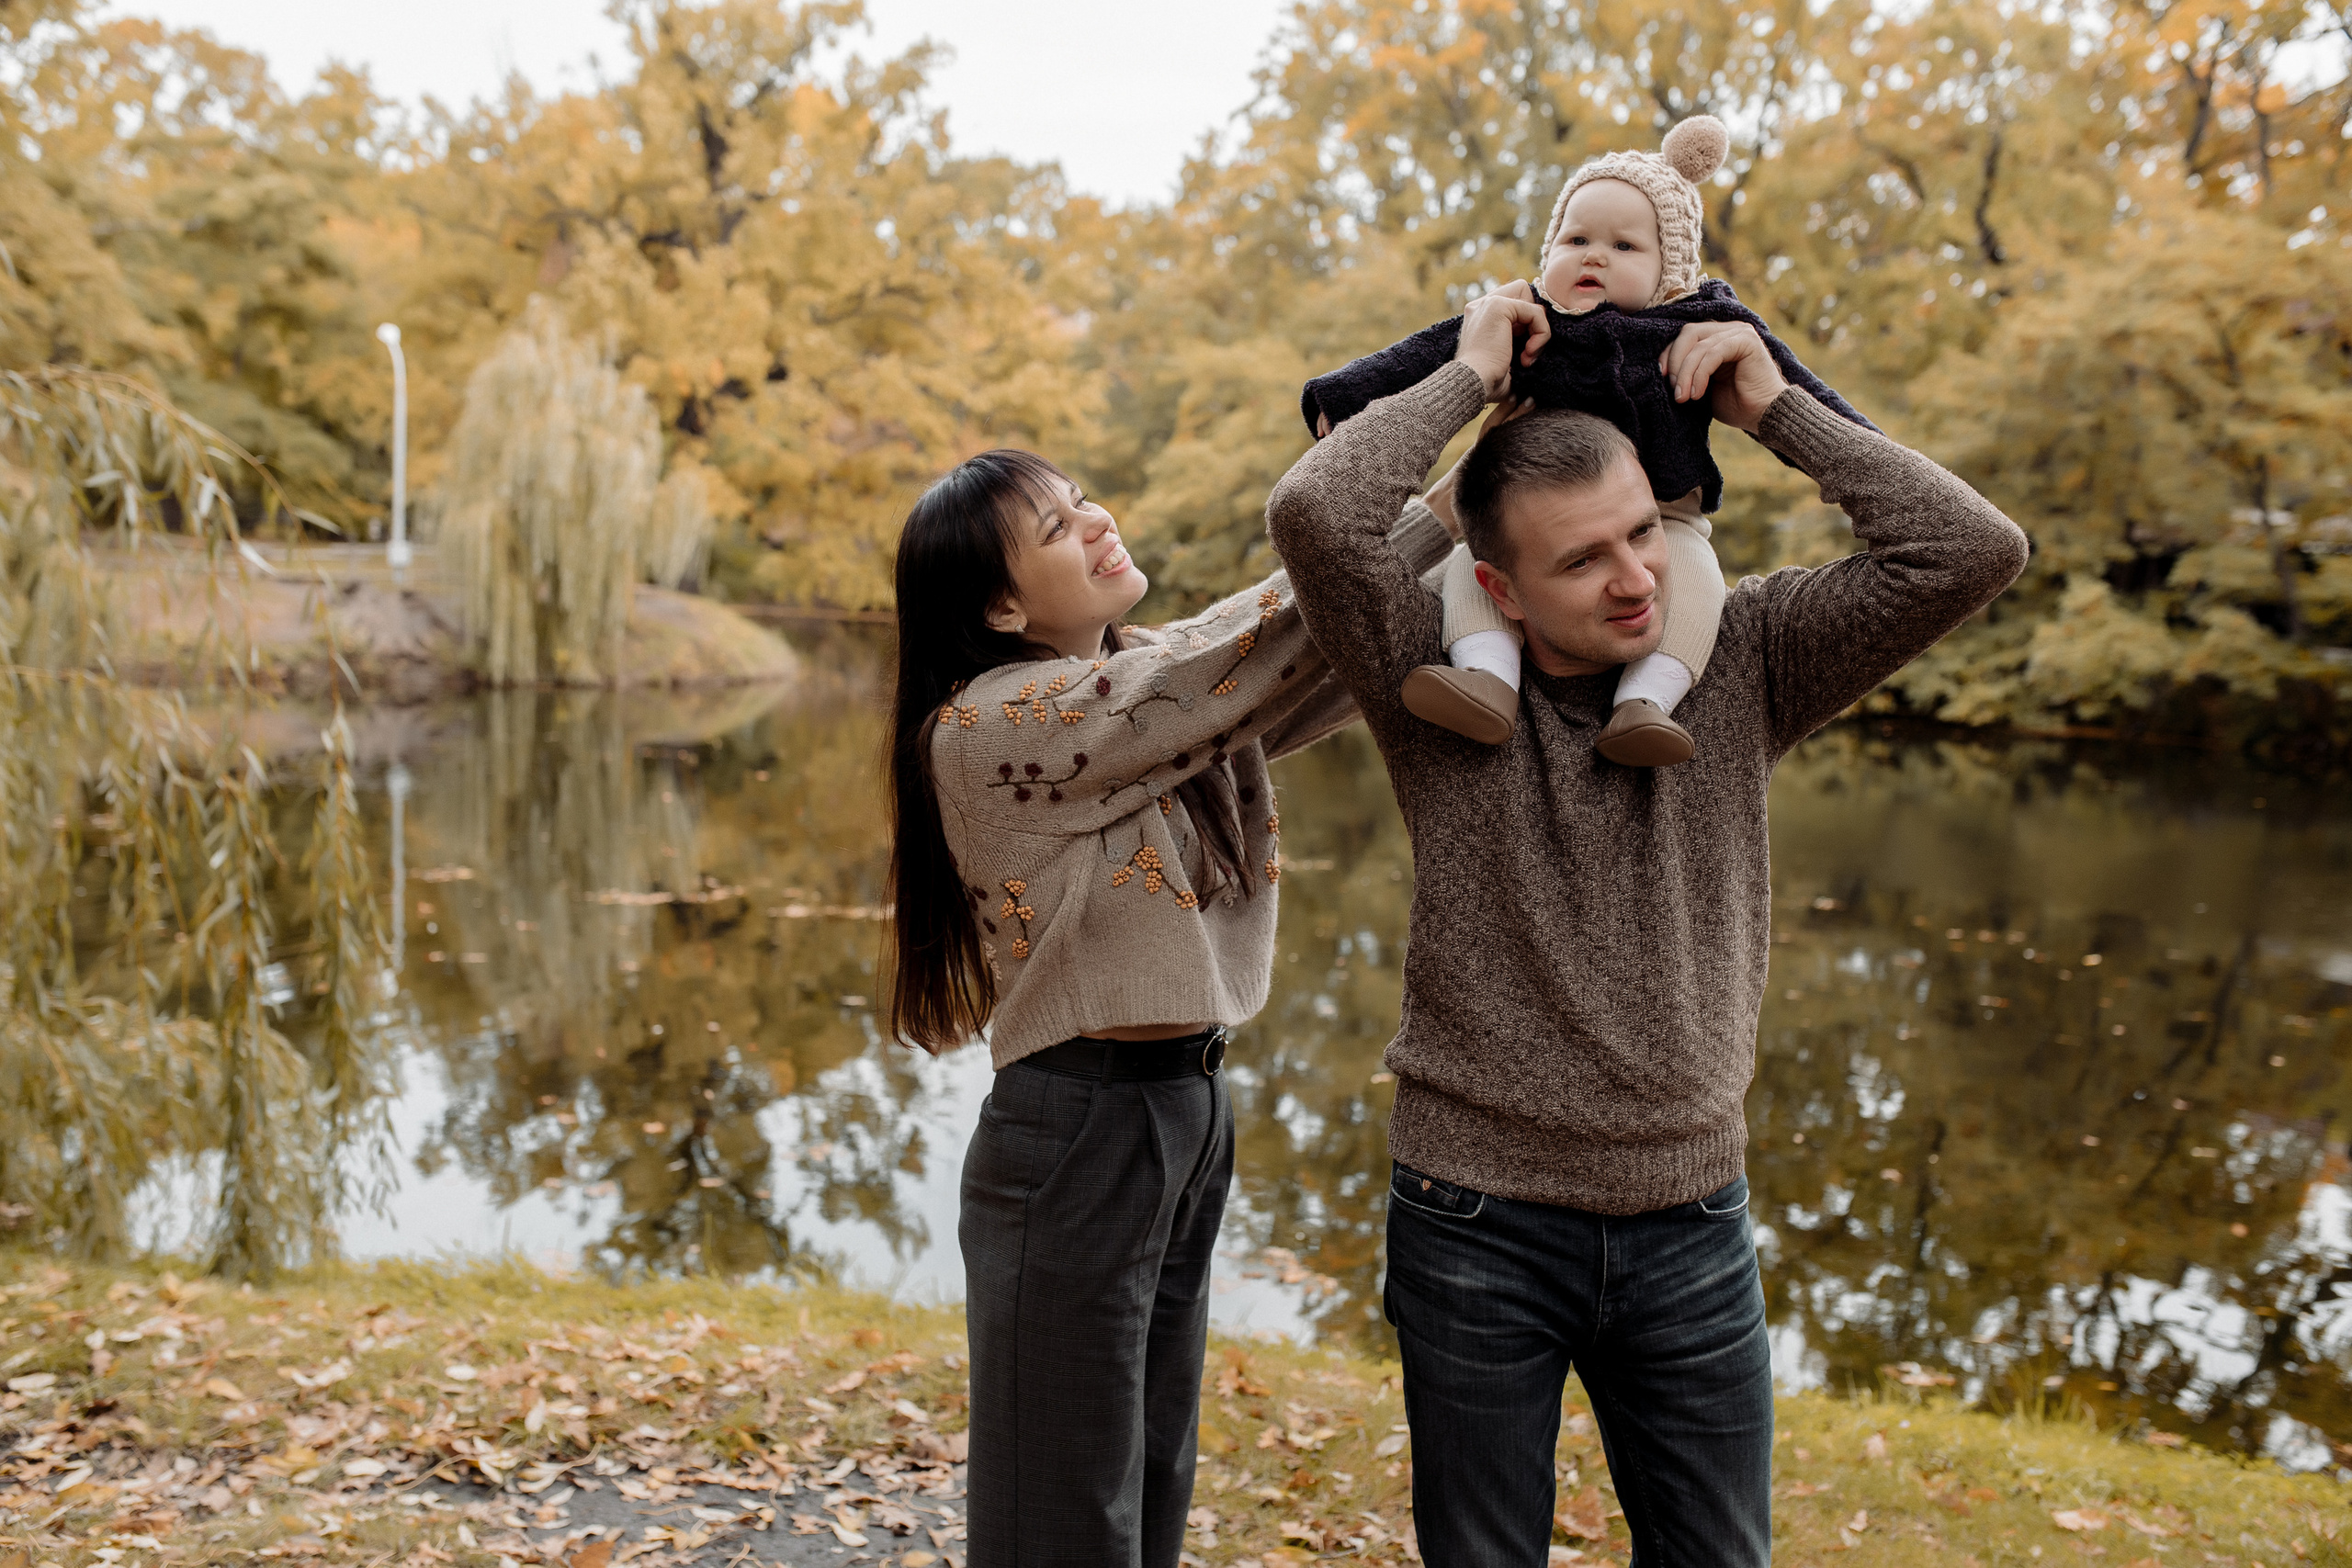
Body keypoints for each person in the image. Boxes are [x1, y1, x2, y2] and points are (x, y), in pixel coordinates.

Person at [1264, 291, 2030, 1564]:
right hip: (1473, 1216)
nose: (1635, 579)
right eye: (1583, 559)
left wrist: (1778, 405)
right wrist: (1467, 380)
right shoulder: (1423, 679)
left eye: (1641, 534)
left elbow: (1972, 549)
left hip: (1691, 1219)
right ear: (1495, 588)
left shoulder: (1746, 654)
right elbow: (1314, 514)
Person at [883, 447, 1466, 1565]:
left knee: (1149, 1474)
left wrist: (1469, 513)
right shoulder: (993, 723)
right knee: (1062, 1504)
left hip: (1178, 1111)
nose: (1097, 521)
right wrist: (1445, 497)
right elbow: (1243, 655)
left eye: (1082, 499)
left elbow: (1295, 650)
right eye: (1057, 527)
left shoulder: (1141, 680)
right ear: (1001, 606)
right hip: (1080, 1126)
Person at [1300, 115, 1874, 762]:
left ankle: (1648, 702)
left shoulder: (1704, 324)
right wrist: (1342, 398)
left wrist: (1850, 439)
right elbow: (1429, 351)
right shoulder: (1530, 321)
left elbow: (1804, 389)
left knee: (1696, 576)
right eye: (1576, 239)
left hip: (1667, 514)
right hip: (1527, 523)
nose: (1595, 256)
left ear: (1672, 268)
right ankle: (1487, 679)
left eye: (1626, 247)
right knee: (1472, 566)